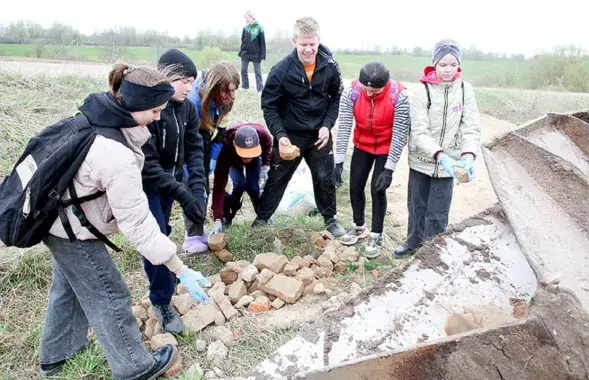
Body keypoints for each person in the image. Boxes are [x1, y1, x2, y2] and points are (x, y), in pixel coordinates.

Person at [38, 64, 210, 379]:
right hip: (73, 230)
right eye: (155, 111)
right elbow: (139, 225)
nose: (159, 117)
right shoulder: (116, 155)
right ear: (137, 105)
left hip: (59, 221)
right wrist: (181, 270)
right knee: (110, 292)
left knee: (68, 287)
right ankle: (134, 366)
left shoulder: (101, 115)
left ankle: (56, 357)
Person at [253, 17, 346, 237]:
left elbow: (335, 98)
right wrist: (280, 135)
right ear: (294, 41)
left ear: (319, 40)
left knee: (325, 178)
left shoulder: (330, 66)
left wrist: (327, 125)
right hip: (291, 134)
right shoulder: (281, 70)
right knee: (276, 178)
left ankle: (330, 219)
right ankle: (262, 219)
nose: (308, 49)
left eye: (312, 44)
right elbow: (269, 107)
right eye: (303, 44)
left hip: (319, 135)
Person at [140, 49, 207, 334]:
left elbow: (194, 150)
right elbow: (148, 165)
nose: (190, 87)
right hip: (149, 185)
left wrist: (199, 191)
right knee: (155, 239)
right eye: (184, 81)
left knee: (165, 230)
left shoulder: (188, 108)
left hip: (173, 180)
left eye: (193, 81)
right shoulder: (150, 112)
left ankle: (171, 272)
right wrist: (183, 194)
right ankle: (162, 301)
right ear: (167, 78)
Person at [394, 39, 481, 257]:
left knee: (438, 212)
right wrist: (439, 155)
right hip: (422, 160)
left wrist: (468, 154)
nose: (448, 69)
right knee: (417, 206)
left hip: (449, 165)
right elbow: (419, 131)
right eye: (443, 64)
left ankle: (431, 254)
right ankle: (412, 245)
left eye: (453, 64)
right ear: (434, 64)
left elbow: (471, 126)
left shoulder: (464, 90)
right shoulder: (422, 91)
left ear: (458, 65)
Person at [334, 61, 410, 259]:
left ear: (384, 85)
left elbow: (400, 133)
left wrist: (389, 169)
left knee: (378, 189)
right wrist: (339, 161)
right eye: (365, 89)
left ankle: (376, 234)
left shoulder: (399, 96)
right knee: (355, 185)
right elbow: (343, 126)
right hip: (362, 144)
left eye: (374, 91)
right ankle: (358, 226)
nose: (368, 94)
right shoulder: (351, 91)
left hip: (386, 146)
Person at [184, 61, 240, 253]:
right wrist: (187, 163)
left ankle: (199, 232)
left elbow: (222, 130)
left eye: (233, 91)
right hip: (189, 139)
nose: (230, 96)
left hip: (206, 136)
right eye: (226, 91)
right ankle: (191, 236)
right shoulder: (192, 101)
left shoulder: (226, 99)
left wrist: (213, 159)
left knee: (203, 187)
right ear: (214, 87)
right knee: (193, 187)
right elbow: (186, 137)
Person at [209, 123, 272, 234]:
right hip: (233, 160)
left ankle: (263, 217)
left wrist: (266, 165)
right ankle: (227, 217)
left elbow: (268, 145)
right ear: (234, 145)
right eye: (244, 153)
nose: (248, 158)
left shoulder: (262, 135)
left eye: (250, 153)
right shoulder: (225, 148)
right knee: (239, 185)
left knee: (253, 188)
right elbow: (219, 186)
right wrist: (218, 219)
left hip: (256, 159)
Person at [239, 10, 266, 92]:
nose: (246, 20)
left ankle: (260, 89)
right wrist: (241, 51)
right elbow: (243, 40)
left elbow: (262, 43)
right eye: (245, 18)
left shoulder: (260, 28)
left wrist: (262, 55)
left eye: (247, 18)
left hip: (256, 54)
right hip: (245, 53)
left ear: (252, 17)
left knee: (257, 72)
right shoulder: (245, 28)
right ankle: (245, 87)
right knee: (243, 70)